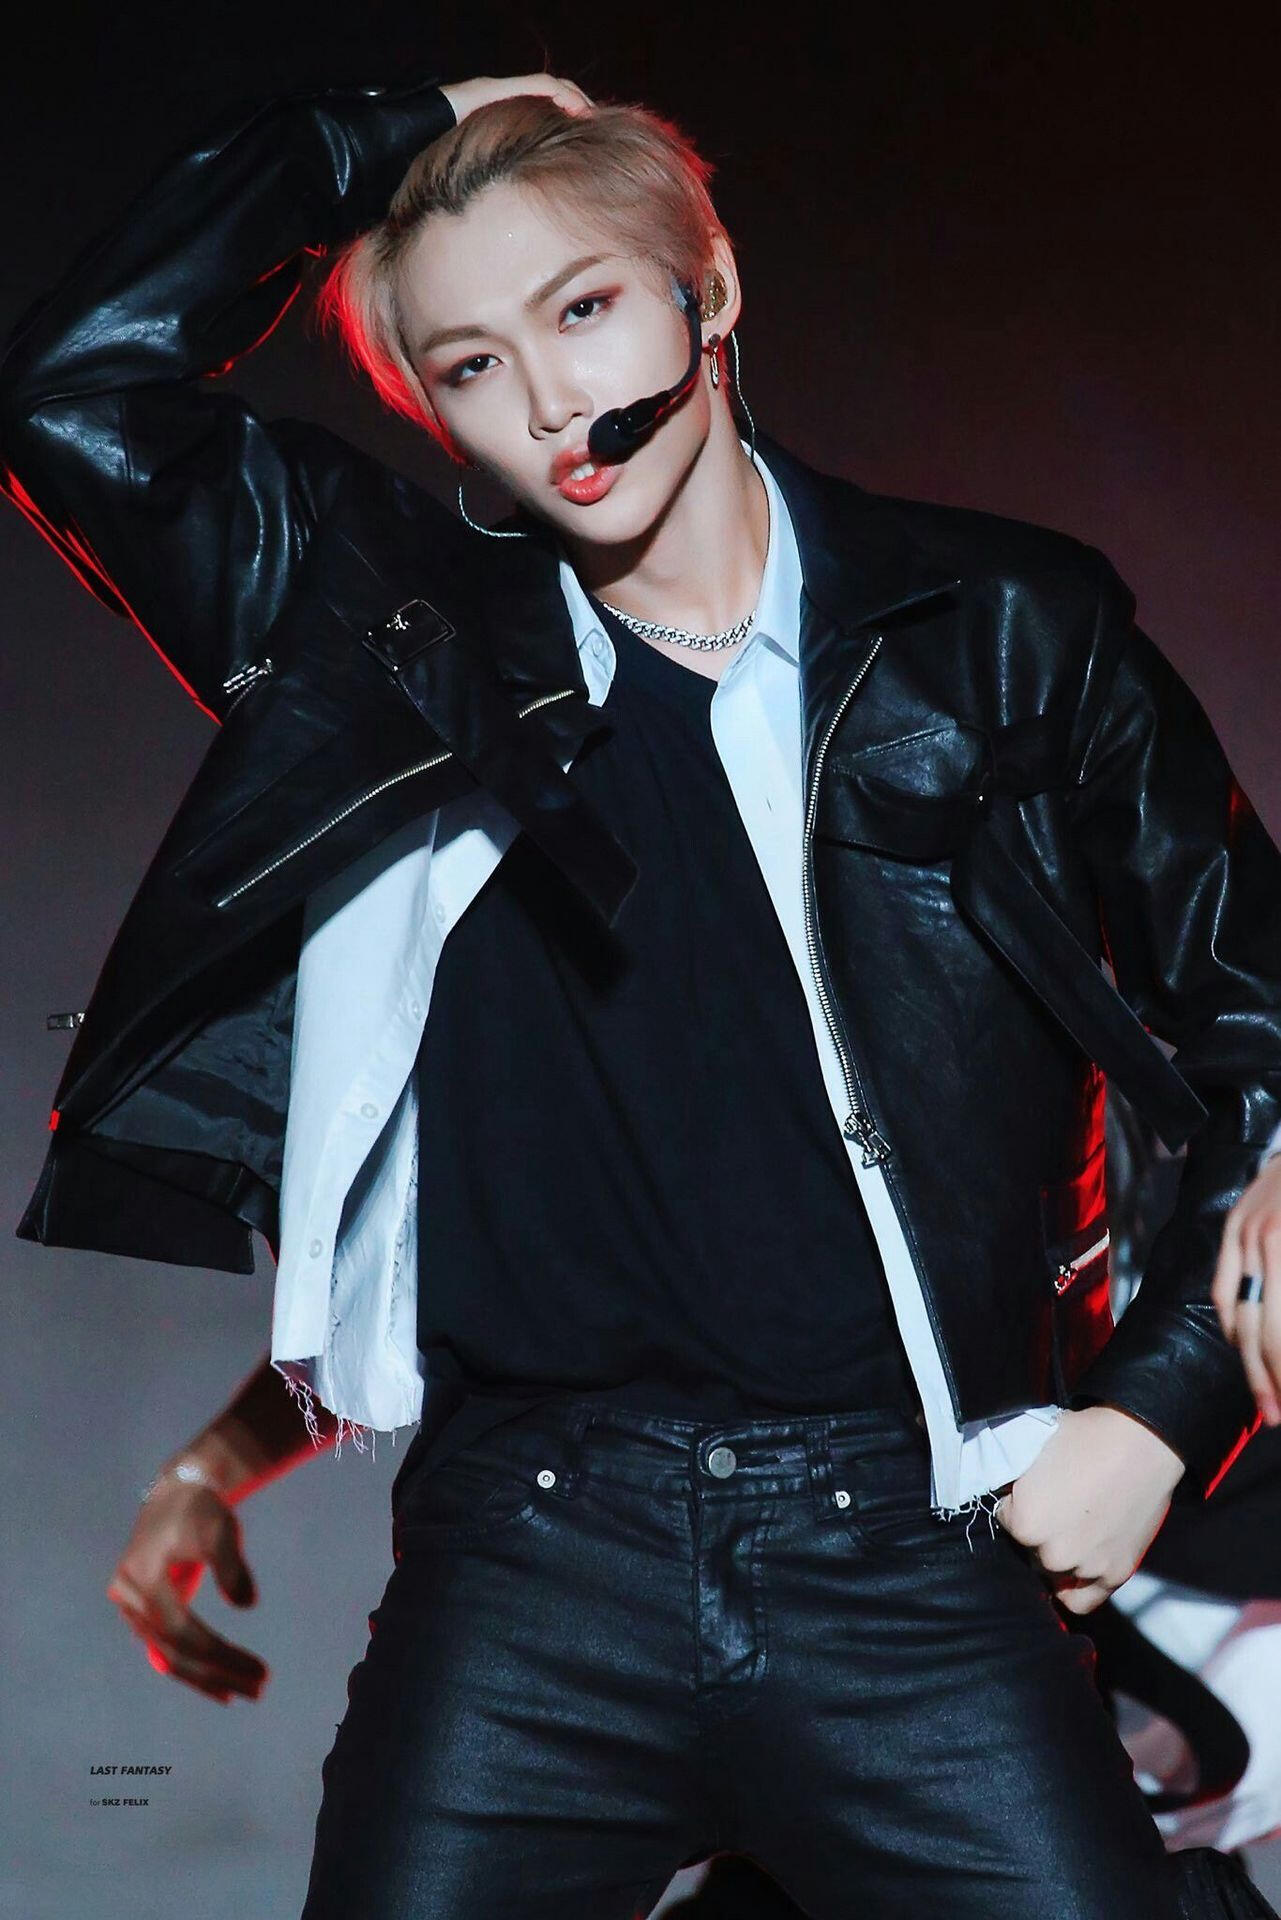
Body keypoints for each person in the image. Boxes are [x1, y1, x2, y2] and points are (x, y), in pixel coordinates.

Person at [6, 60, 1281, 1920]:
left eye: (585, 307)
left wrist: (1156, 1414)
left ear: (712, 286)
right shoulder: (379, 634)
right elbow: (70, 395)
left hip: (912, 1557)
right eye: (469, 364)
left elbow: (1260, 1026)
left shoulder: (1004, 629)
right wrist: (378, 132)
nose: (548, 402)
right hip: (531, 1567)